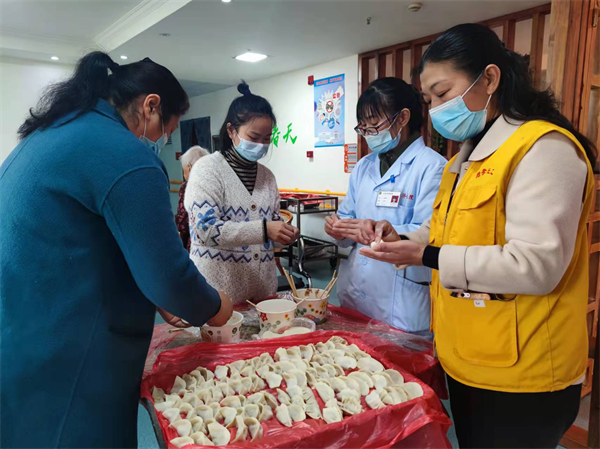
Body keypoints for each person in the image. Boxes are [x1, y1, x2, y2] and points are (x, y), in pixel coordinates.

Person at [361, 24, 597, 449]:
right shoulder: (464, 160)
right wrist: (402, 236)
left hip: (523, 375)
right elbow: (443, 230)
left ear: (489, 79)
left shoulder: (543, 149)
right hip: (469, 359)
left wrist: (428, 256)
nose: (434, 110)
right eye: (429, 100)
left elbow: (536, 265)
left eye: (443, 93)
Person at [0, 52, 233, 449]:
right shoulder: (125, 155)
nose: (159, 142)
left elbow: (87, 240)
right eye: (165, 130)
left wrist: (151, 287)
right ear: (151, 105)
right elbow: (171, 277)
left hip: (20, 336)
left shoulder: (47, 135)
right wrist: (217, 306)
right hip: (71, 354)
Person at [324, 77, 446, 334]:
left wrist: (380, 231)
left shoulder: (432, 167)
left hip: (400, 299)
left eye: (374, 126)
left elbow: (431, 233)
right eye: (363, 128)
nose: (369, 135)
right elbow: (348, 219)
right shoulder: (364, 166)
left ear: (402, 118)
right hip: (358, 290)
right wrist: (338, 229)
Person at [185, 82, 299, 304]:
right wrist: (265, 230)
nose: (261, 145)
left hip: (262, 292)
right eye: (254, 137)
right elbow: (205, 230)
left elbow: (272, 229)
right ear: (231, 131)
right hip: (217, 294)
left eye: (267, 138)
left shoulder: (267, 176)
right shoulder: (208, 169)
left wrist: (283, 235)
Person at [176, 145, 210, 251]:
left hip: (197, 247)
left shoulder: (187, 187)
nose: (184, 175)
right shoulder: (216, 184)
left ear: (189, 168)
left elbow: (183, 223)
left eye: (184, 171)